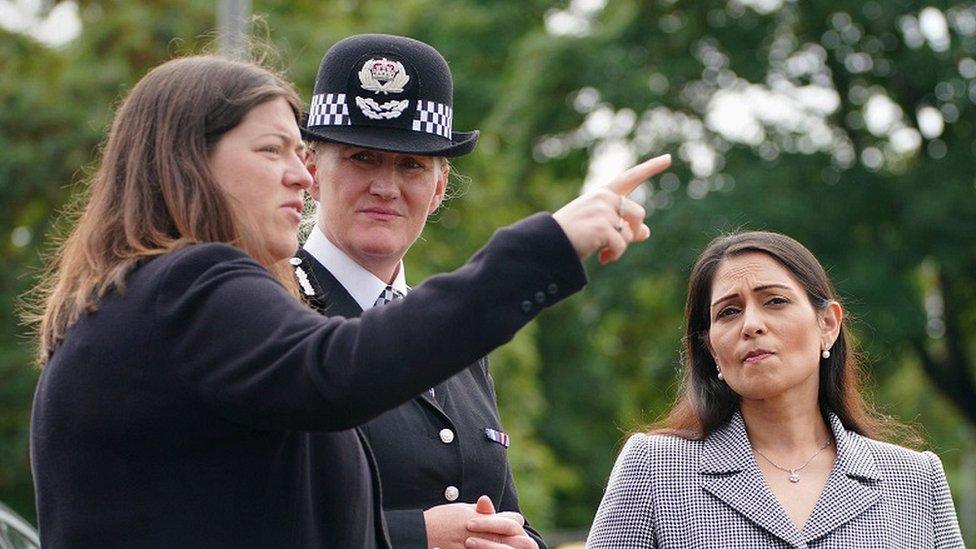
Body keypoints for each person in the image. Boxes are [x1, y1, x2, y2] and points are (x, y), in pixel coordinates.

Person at [28, 54, 670, 548]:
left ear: (441, 184)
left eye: (412, 167)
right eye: (273, 150)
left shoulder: (145, 294)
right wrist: (548, 243)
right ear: (187, 162)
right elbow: (337, 371)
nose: (299, 176)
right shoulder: (190, 284)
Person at [294, 33, 562, 549]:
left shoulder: (454, 336)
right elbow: (254, 520)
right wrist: (422, 536)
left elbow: (501, 508)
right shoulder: (273, 308)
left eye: (411, 166)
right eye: (362, 158)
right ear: (311, 170)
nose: (386, 186)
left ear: (439, 189)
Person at [586, 231, 964, 548]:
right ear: (712, 348)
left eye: (775, 301)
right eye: (728, 312)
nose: (751, 324)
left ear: (828, 325)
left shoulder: (915, 480)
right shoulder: (656, 468)